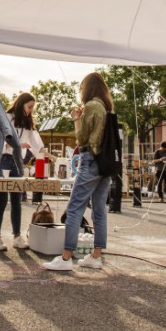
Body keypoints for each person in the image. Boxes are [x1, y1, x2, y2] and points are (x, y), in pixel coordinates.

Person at [43, 72, 114, 271]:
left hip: (90, 159)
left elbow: (82, 138)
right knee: (99, 211)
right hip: (105, 163)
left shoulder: (92, 106)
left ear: (88, 88)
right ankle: (96, 256)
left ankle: (66, 257)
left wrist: (76, 119)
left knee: (75, 208)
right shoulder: (107, 108)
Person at [0, 92, 45, 251]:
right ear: (21, 104)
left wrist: (44, 153)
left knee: (16, 200)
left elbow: (36, 143)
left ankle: (17, 236)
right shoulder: (6, 117)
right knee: (1, 199)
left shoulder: (27, 122)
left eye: (32, 108)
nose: (30, 110)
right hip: (4, 160)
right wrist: (15, 145)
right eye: (29, 107)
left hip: (17, 162)